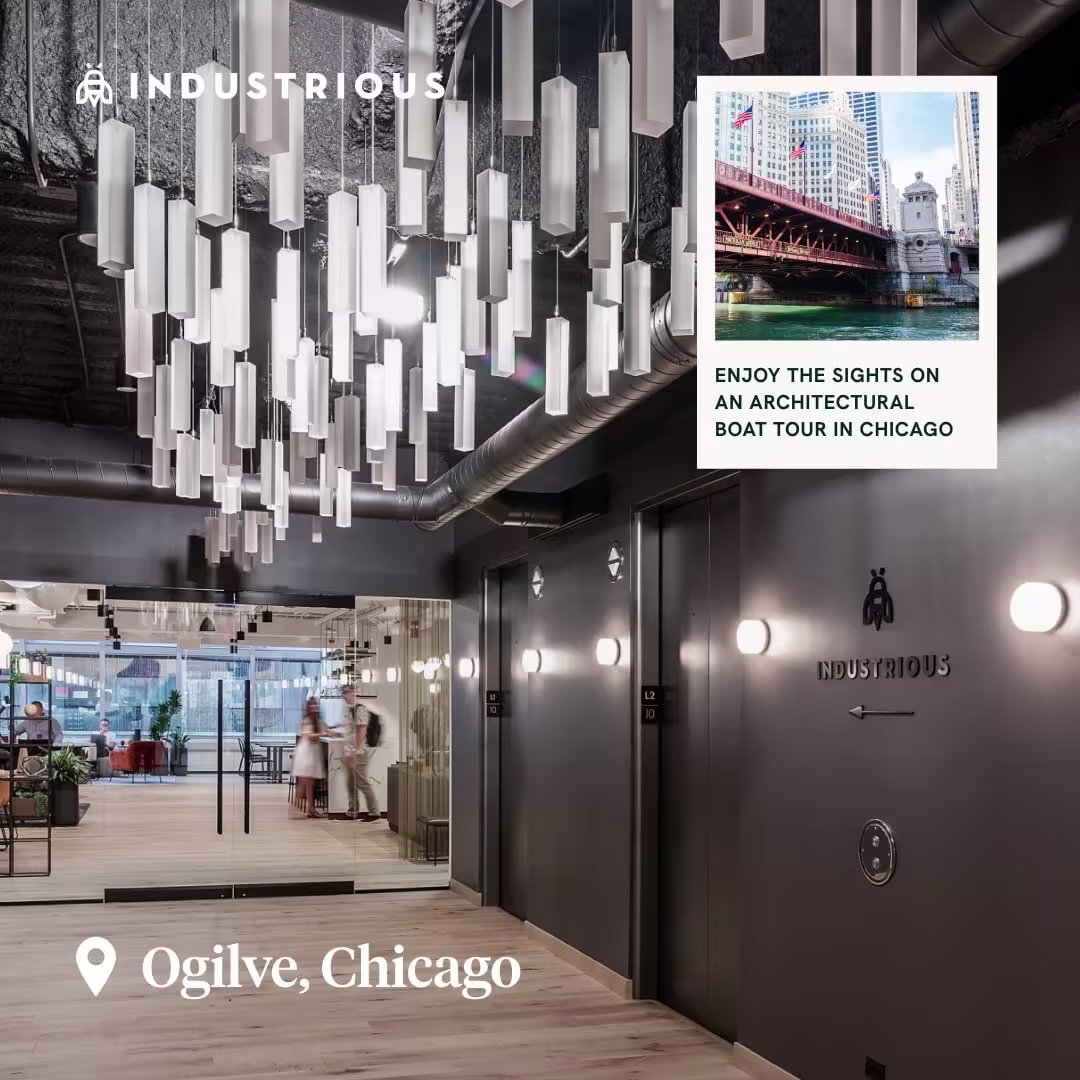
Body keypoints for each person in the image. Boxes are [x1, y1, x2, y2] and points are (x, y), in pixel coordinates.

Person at [341, 684, 379, 822]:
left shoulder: (360, 709)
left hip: (358, 753)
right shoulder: (348, 710)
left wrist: (353, 750)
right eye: (343, 693)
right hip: (350, 752)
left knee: (362, 783)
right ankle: (353, 811)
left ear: (353, 692)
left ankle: (374, 812)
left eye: (347, 692)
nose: (345, 695)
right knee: (350, 784)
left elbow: (362, 731)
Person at [292, 697, 325, 818]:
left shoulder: (317, 720)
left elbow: (325, 729)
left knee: (309, 782)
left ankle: (311, 809)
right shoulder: (307, 720)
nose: (314, 707)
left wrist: (330, 731)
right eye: (312, 705)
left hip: (312, 752)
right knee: (307, 781)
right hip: (306, 753)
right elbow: (309, 735)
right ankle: (309, 807)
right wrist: (323, 734)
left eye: (315, 705)